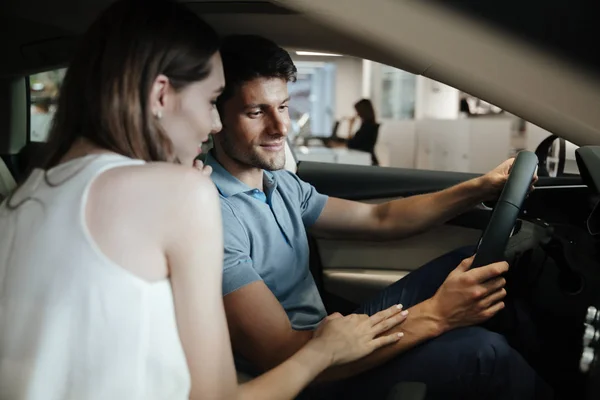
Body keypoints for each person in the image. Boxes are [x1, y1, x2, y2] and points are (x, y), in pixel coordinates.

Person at [0, 1, 409, 399]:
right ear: (161, 95)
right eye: (213, 100)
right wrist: (324, 351)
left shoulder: (22, 200)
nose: (215, 123)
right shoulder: (182, 193)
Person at [206, 34, 552, 399]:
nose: (280, 127)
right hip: (307, 374)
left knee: (476, 269)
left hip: (330, 336)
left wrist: (479, 187)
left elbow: (381, 219)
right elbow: (282, 355)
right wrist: (437, 314)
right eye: (256, 112)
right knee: (484, 354)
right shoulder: (213, 217)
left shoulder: (280, 184)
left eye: (284, 107)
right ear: (216, 118)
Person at [330, 99, 380, 165]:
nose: (357, 114)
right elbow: (353, 142)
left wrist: (350, 126)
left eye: (358, 111)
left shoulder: (367, 127)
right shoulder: (368, 126)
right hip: (364, 159)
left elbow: (352, 144)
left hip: (366, 161)